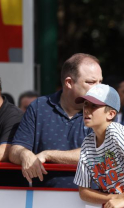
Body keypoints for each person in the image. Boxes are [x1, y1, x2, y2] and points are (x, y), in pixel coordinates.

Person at [9, 53, 102, 188]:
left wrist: (48, 155)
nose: (99, 88)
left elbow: (98, 154)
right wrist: (24, 154)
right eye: (91, 82)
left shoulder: (103, 110)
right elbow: (15, 150)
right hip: (42, 203)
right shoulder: (39, 107)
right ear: (69, 82)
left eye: (100, 82)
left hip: (90, 203)